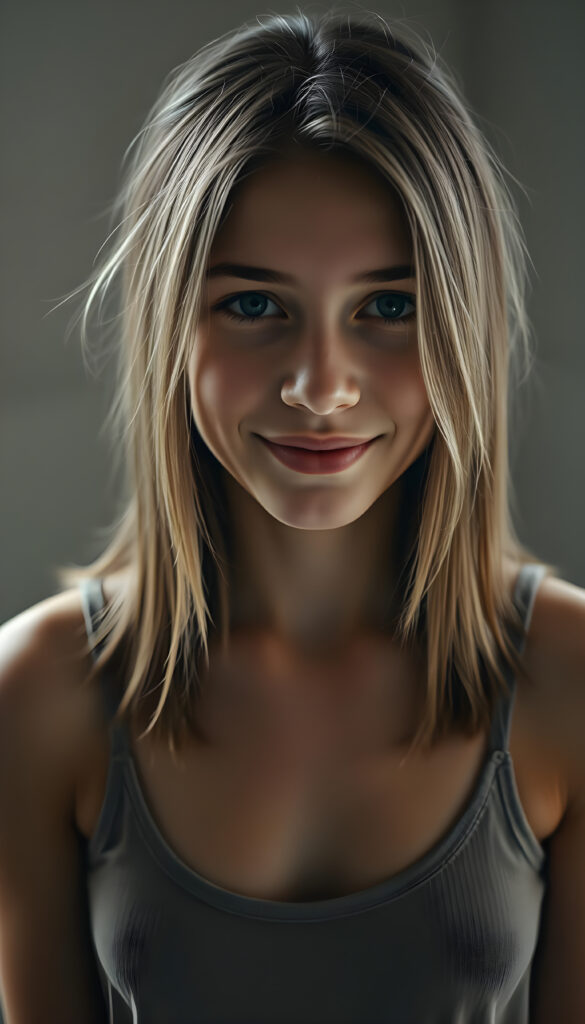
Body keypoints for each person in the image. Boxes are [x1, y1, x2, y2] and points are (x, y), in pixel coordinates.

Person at [0, 7, 583, 1023]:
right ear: (169, 326)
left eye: (389, 306)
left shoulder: (573, 680)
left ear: (466, 322)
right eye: (255, 305)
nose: (321, 385)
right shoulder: (36, 697)